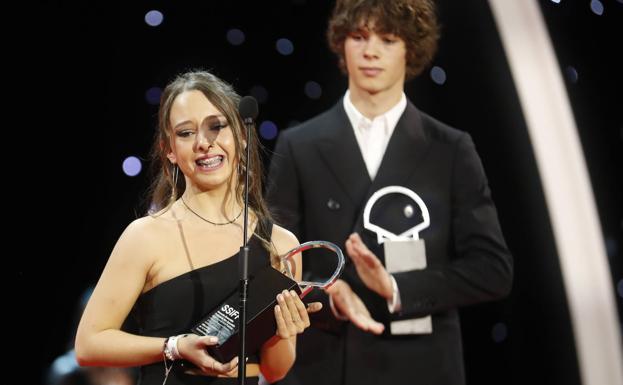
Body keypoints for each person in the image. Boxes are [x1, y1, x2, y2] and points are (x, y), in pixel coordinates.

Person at [266, 1, 513, 384]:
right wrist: (331, 295)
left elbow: (492, 269)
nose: (371, 51)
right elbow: (277, 264)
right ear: (341, 44)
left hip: (421, 366)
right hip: (325, 365)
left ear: (410, 49)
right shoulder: (298, 145)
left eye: (388, 39)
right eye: (359, 36)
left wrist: (398, 288)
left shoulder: (450, 149)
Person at [75, 70, 321, 385]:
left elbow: (274, 370)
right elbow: (89, 344)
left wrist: (283, 333)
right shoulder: (145, 236)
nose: (204, 143)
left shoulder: (280, 245)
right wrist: (175, 347)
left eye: (216, 126)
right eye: (186, 133)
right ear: (169, 150)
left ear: (242, 136)